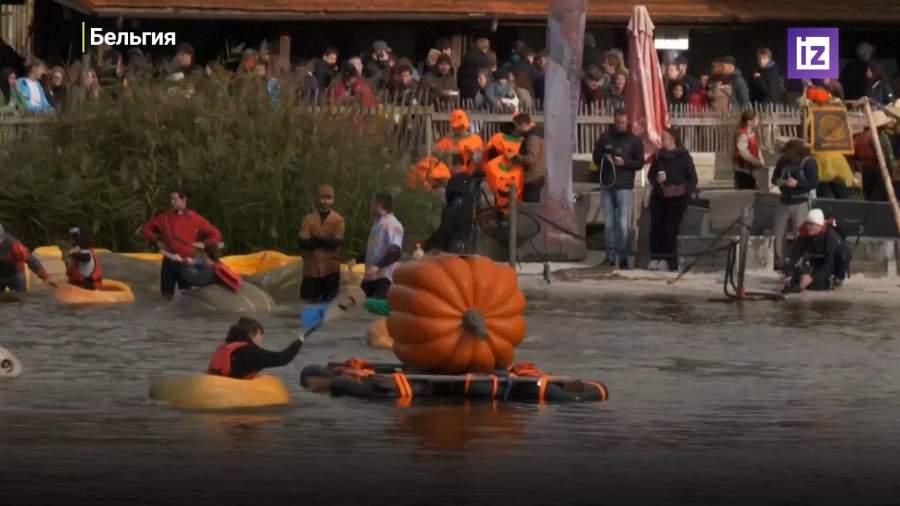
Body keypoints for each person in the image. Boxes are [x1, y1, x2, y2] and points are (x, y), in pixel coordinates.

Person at [142, 190, 223, 299]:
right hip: (169, 262)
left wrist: (204, 244)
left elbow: (216, 234)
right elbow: (146, 228)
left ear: (184, 200)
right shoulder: (165, 217)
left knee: (187, 298)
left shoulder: (195, 218)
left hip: (187, 263)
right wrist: (157, 240)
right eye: (171, 199)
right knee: (165, 297)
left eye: (175, 199)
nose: (172, 202)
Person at [592, 108, 645, 269]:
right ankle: (609, 256)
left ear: (627, 122)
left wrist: (625, 163)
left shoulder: (634, 140)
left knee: (623, 224)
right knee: (609, 223)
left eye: (623, 122)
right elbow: (595, 157)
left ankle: (622, 257)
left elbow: (640, 162)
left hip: (624, 185)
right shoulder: (605, 137)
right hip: (607, 183)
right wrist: (604, 158)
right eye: (617, 122)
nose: (620, 125)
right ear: (613, 121)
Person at [647, 128, 698, 272]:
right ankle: (655, 258)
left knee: (670, 229)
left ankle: (667, 260)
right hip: (659, 196)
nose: (662, 141)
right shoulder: (658, 156)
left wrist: (686, 193)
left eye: (664, 138)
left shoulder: (683, 156)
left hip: (677, 198)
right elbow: (651, 175)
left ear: (672, 139)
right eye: (661, 138)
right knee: (656, 228)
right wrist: (658, 179)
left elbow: (692, 178)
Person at [771, 140, 819, 269]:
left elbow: (813, 183)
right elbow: (774, 179)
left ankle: (799, 262)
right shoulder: (782, 161)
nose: (787, 156)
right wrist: (782, 182)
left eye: (789, 154)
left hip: (800, 202)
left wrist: (798, 184)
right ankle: (779, 261)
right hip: (784, 200)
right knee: (779, 232)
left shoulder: (808, 163)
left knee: (800, 234)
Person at [207, 317, 303, 380]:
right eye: (260, 334)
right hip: (228, 392)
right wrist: (298, 343)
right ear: (251, 334)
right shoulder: (251, 352)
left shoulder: (224, 347)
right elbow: (282, 359)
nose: (261, 339)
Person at [422, 154, 481, 255]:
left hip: (455, 243)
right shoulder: (471, 186)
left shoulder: (458, 191)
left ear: (457, 165)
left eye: (450, 166)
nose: (448, 170)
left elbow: (449, 224)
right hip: (464, 238)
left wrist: (427, 246)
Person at [783, 209, 850, 294]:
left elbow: (828, 264)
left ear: (819, 226)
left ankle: (836, 278)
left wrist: (812, 277)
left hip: (833, 262)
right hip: (817, 259)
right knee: (797, 281)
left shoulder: (831, 237)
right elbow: (794, 255)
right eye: (808, 223)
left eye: (811, 224)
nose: (808, 227)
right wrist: (789, 273)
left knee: (816, 285)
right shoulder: (805, 234)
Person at [298, 185, 345, 302]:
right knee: (307, 304)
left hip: (331, 269)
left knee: (329, 304)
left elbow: (335, 244)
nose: (325, 201)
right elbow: (303, 243)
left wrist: (315, 239)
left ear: (333, 200)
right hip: (311, 268)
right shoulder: (308, 219)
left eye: (329, 198)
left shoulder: (338, 220)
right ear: (318, 198)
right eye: (323, 197)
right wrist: (325, 242)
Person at [363, 193, 404, 300]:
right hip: (370, 276)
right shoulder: (378, 223)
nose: (371, 206)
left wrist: (377, 265)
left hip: (384, 277)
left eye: (373, 203)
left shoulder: (392, 224)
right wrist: (358, 258)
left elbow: (395, 251)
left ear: (379, 204)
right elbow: (375, 247)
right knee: (361, 305)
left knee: (376, 312)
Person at [853, 110, 897, 201]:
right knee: (879, 198)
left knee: (868, 197)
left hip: (864, 171)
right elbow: (888, 157)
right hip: (878, 171)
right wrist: (892, 173)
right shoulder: (880, 137)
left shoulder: (859, 137)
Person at [0, 223, 54, 291]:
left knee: (20, 298)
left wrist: (45, 277)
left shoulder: (14, 245)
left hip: (15, 274)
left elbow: (31, 260)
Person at [434, 109, 484, 174]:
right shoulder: (446, 141)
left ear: (466, 125)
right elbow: (436, 158)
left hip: (471, 176)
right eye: (457, 127)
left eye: (462, 126)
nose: (460, 129)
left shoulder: (476, 140)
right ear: (452, 127)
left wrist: (473, 154)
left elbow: (482, 161)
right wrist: (446, 154)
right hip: (451, 177)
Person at [510, 113, 545, 203]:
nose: (515, 128)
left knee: (531, 206)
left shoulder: (533, 137)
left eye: (516, 125)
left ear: (522, 124)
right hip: (538, 176)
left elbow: (531, 159)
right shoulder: (536, 134)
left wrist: (515, 156)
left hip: (533, 178)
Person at [733, 110, 766, 190]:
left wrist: (761, 160)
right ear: (749, 122)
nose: (757, 120)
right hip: (743, 172)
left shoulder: (752, 134)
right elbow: (743, 153)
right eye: (756, 119)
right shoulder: (742, 135)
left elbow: (757, 150)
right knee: (745, 196)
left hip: (752, 171)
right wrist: (757, 162)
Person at [459, 36, 492, 101]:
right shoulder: (484, 59)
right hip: (478, 88)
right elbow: (486, 75)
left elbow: (460, 72)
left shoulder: (467, 56)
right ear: (486, 47)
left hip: (465, 87)